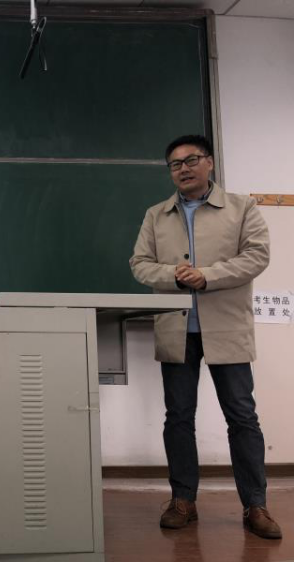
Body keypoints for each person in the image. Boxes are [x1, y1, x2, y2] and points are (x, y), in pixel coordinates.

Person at [129, 134, 282, 539]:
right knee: (178, 417)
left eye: (191, 160)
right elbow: (140, 264)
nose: (183, 168)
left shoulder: (242, 207)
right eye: (175, 164)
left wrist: (207, 276)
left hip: (227, 328)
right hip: (176, 329)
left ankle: (255, 505)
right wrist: (176, 276)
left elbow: (257, 255)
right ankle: (183, 501)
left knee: (242, 418)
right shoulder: (156, 215)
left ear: (209, 163)